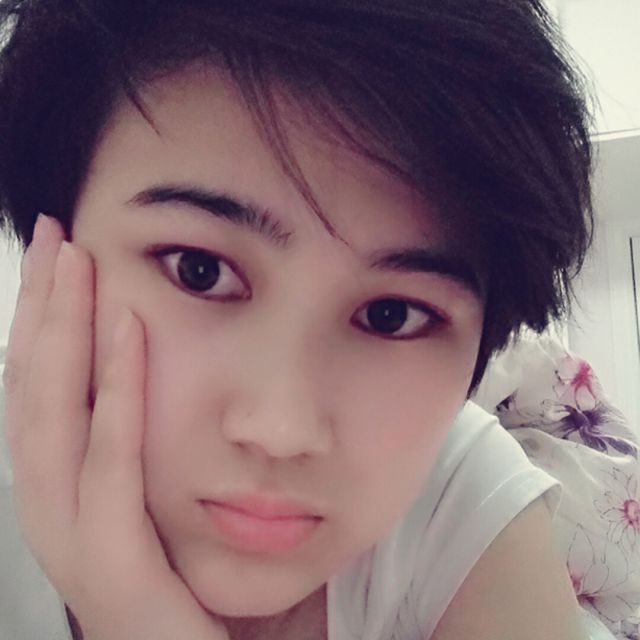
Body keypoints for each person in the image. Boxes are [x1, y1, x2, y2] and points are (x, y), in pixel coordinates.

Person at [0, 1, 637, 639]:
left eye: (391, 315)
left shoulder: (459, 503)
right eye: (199, 270)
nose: (282, 430)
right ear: (50, 252)